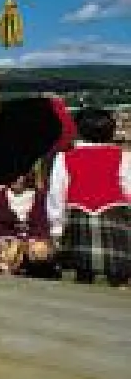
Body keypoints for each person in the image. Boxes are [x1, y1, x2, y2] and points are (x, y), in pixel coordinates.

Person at [46, 107, 131, 287]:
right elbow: (129, 190)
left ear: (79, 130)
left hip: (77, 226)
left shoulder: (64, 158)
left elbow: (56, 197)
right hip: (116, 224)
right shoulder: (124, 157)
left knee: (81, 282)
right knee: (120, 283)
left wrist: (56, 230)